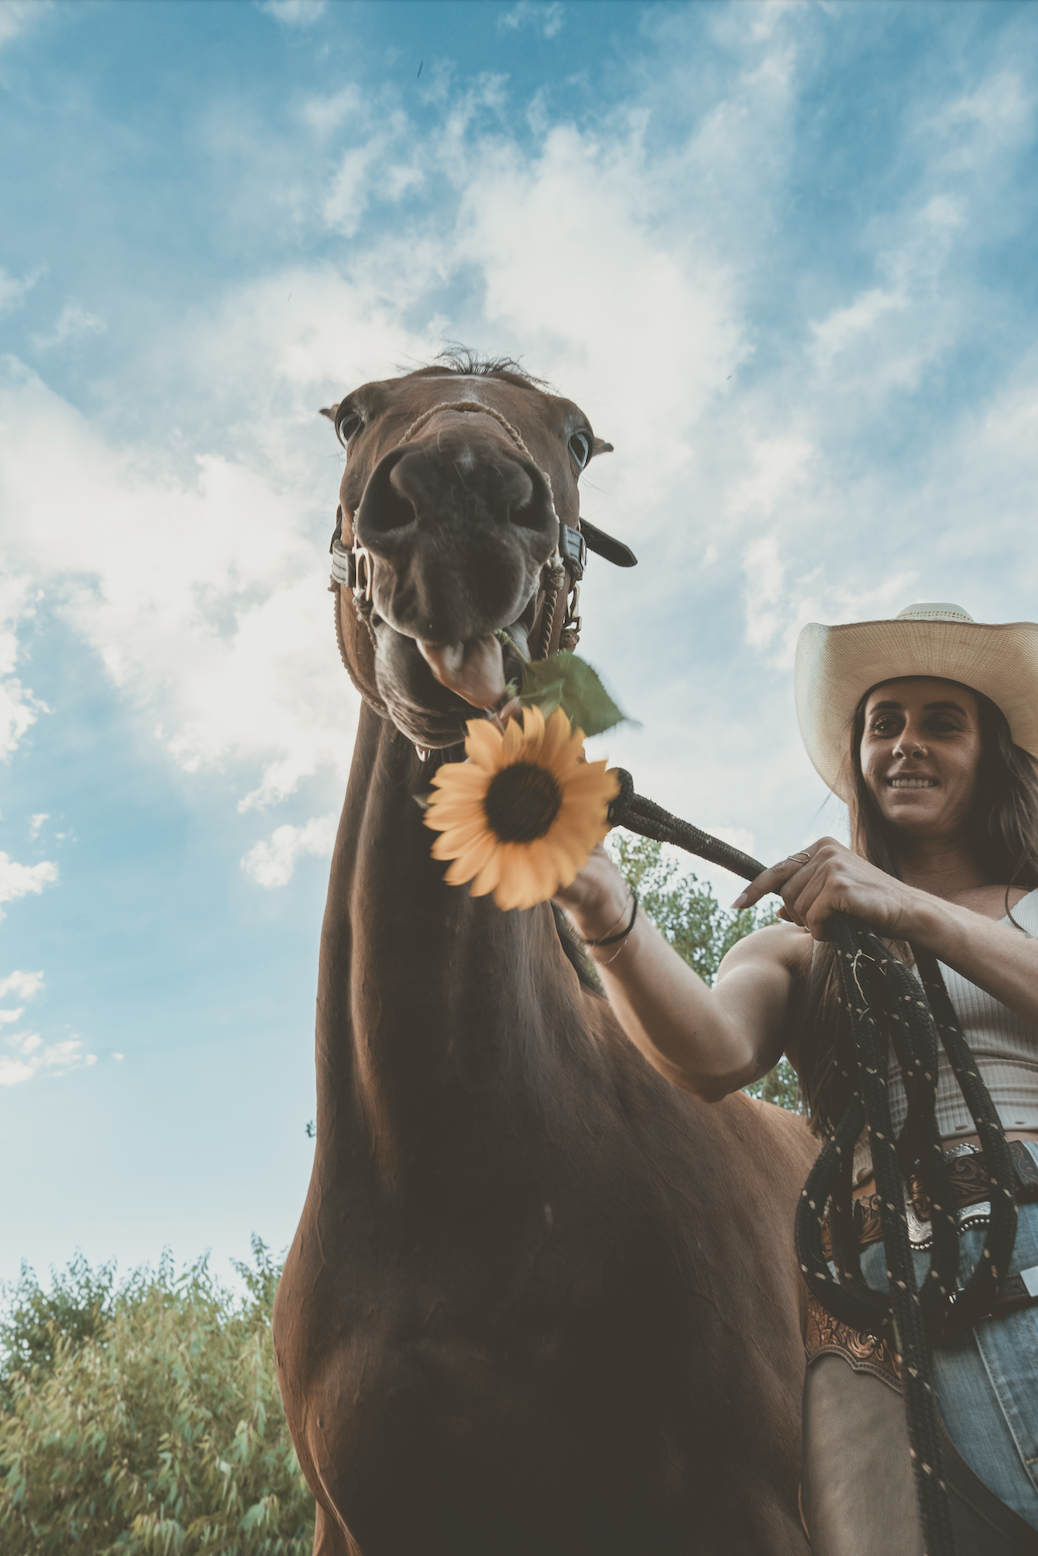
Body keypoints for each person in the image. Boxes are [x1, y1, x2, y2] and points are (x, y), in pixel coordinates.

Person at [555, 602, 1038, 1535]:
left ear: (992, 757)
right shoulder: (798, 948)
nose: (907, 743)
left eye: (944, 722)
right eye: (884, 722)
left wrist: (909, 909)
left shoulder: (1025, 908)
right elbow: (707, 1054)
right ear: (857, 753)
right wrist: (609, 916)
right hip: (862, 1326)